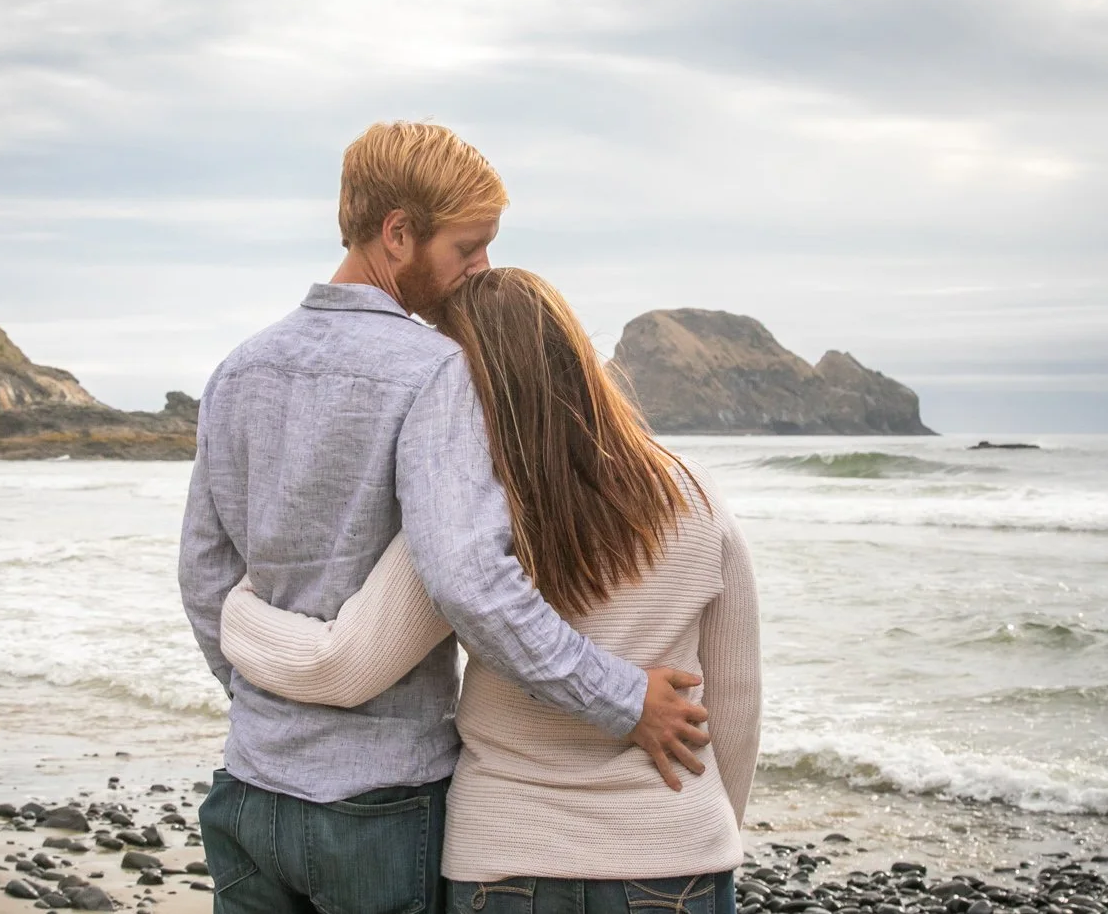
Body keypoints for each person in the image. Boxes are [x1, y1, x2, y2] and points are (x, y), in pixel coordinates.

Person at [178, 121, 712, 914]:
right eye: (468, 246)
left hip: (248, 793)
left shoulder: (238, 369)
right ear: (398, 234)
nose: (481, 266)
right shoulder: (437, 371)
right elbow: (470, 581)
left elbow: (204, 577)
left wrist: (263, 709)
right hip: (378, 807)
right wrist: (624, 698)